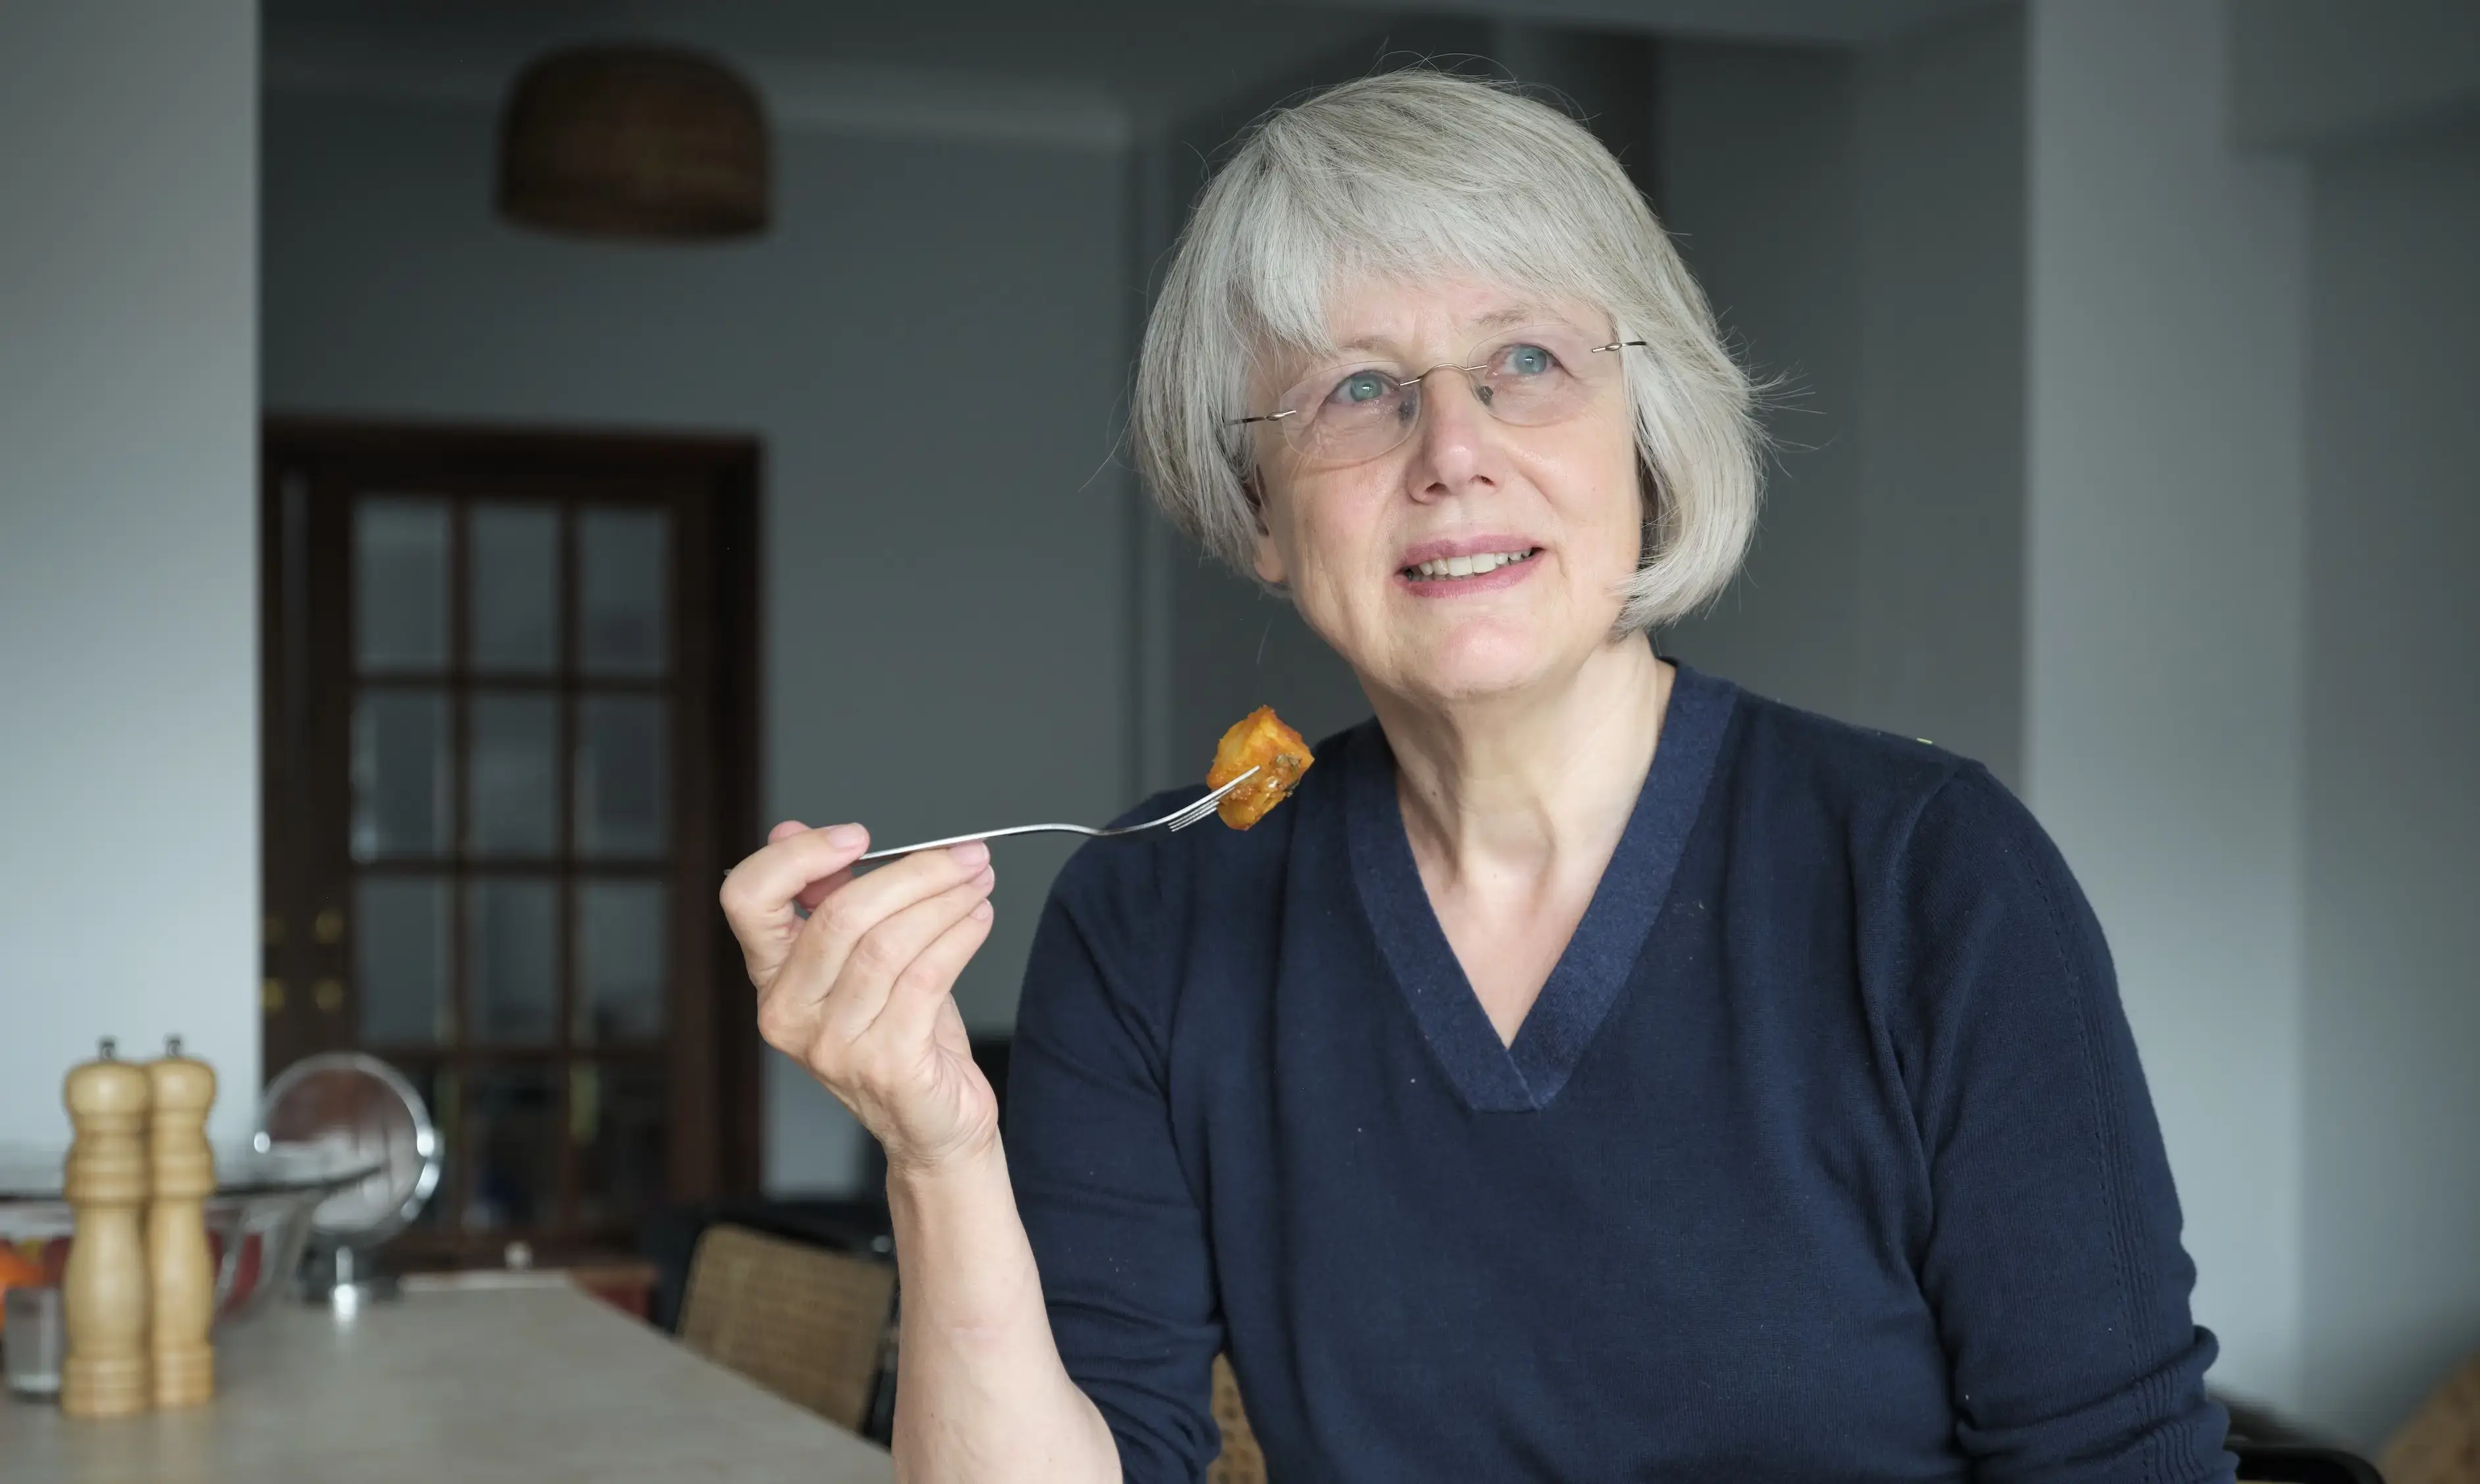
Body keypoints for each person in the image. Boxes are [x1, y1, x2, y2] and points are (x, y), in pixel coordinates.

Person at [720, 69, 2235, 1483]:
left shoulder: (1926, 873)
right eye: (1357, 391)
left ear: (1644, 438)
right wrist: (937, 1150)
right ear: (1258, 513)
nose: (1452, 450)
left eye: (1526, 362)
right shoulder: (1154, 911)